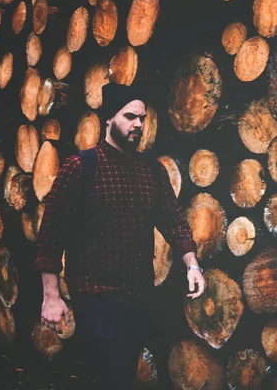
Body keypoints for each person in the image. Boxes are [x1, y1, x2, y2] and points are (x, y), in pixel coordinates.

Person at [35, 83, 206, 389]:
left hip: (138, 293)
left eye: (142, 118)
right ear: (109, 120)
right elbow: (51, 234)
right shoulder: (80, 167)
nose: (138, 124)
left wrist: (192, 264)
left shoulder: (151, 171)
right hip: (95, 293)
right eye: (130, 116)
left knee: (123, 374)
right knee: (110, 376)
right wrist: (51, 297)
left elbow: (173, 220)